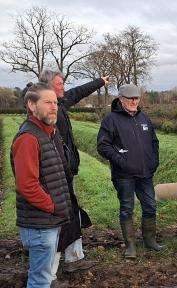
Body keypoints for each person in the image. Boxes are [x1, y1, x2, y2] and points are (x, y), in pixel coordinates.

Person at [10, 83, 75, 288]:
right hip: (40, 224)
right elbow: (27, 185)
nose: (54, 107)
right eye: (47, 102)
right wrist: (53, 206)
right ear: (31, 105)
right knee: (40, 278)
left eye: (56, 103)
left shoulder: (47, 133)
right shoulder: (28, 138)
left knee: (44, 276)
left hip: (48, 221)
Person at [38, 70, 108, 274]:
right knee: (59, 219)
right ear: (48, 87)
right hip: (55, 173)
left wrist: (99, 81)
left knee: (72, 213)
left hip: (66, 171)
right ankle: (50, 272)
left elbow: (79, 92)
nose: (63, 87)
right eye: (59, 84)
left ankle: (74, 257)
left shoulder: (59, 103)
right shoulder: (46, 112)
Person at [96, 84, 163, 258]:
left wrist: (153, 161)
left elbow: (154, 142)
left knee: (150, 205)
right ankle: (130, 246)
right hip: (123, 175)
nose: (134, 101)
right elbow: (103, 146)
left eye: (137, 98)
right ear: (121, 99)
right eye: (130, 98)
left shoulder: (144, 119)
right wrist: (120, 161)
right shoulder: (111, 120)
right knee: (127, 208)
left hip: (145, 173)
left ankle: (150, 240)